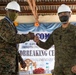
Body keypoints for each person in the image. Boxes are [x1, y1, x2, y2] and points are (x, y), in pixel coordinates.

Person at [34, 4, 76, 75]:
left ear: (70, 14)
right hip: (58, 68)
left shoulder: (74, 30)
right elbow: (46, 45)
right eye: (61, 14)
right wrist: (38, 41)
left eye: (65, 13)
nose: (63, 15)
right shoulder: (56, 32)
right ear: (58, 16)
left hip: (72, 68)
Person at [0, 1, 34, 75]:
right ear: (7, 11)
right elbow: (11, 38)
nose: (15, 13)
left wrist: (21, 60)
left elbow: (14, 46)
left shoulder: (12, 26)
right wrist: (28, 36)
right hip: (3, 66)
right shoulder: (2, 24)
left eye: (17, 12)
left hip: (12, 65)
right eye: (12, 11)